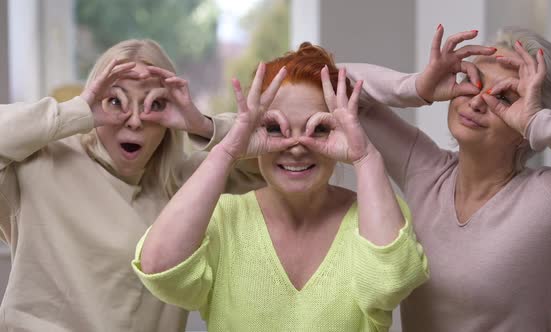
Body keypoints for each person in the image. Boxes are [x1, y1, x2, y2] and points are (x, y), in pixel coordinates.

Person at [132, 43, 430, 331]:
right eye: (275, 128)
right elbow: (159, 268)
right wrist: (227, 151)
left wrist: (365, 156)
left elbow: (392, 281)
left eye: (319, 128)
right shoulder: (224, 219)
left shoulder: (372, 217)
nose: (297, 147)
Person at [0, 39, 262, 332]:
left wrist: (201, 124)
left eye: (156, 104)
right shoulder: (40, 165)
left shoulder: (187, 184)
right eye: (116, 101)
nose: (135, 120)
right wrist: (77, 112)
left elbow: (273, 154)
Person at [345, 26, 551, 331]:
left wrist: (542, 125)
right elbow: (324, 78)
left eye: (506, 97)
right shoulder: (424, 169)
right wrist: (417, 86)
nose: (477, 101)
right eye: (472, 81)